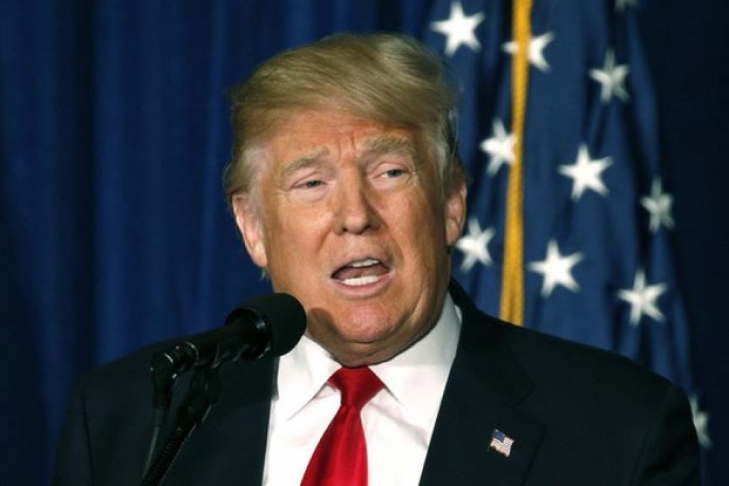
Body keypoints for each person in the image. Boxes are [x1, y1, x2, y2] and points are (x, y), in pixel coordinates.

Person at [54, 33, 700, 485]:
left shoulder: (618, 429)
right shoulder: (132, 419)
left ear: (450, 203)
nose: (355, 214)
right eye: (311, 183)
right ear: (252, 227)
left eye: (390, 172)